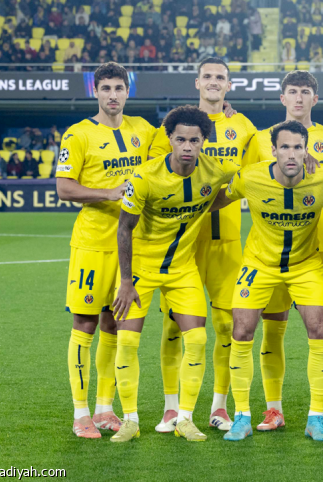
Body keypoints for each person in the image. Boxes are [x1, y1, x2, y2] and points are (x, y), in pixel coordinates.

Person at [213, 120, 323, 442]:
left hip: (306, 265)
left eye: (298, 147)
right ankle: (242, 417)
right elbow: (217, 199)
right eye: (285, 147)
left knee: (319, 329)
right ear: (274, 150)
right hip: (259, 264)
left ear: (307, 151)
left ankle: (316, 418)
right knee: (241, 330)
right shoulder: (251, 177)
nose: (291, 154)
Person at [242, 71, 323, 433]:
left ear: (315, 98)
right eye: (292, 92)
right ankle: (273, 409)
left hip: (320, 245)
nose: (298, 98)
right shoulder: (261, 139)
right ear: (282, 98)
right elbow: (247, 176)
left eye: (305, 92)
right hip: (270, 249)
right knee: (273, 327)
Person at [111, 105, 237, 443]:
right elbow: (124, 229)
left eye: (194, 141)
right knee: (127, 340)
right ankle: (130, 420)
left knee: (197, 339)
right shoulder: (144, 177)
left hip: (182, 269)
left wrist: (305, 159)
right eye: (180, 139)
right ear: (169, 139)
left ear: (203, 141)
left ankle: (185, 419)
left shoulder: (215, 170)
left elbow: (256, 174)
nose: (187, 147)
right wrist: (125, 281)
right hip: (141, 269)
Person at [148, 57, 257, 434]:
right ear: (197, 82)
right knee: (173, 326)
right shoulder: (176, 126)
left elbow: (262, 167)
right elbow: (156, 176)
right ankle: (170, 408)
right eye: (207, 76)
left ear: (229, 85)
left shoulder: (243, 127)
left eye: (220, 77)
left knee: (227, 325)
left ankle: (219, 406)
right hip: (183, 246)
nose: (213, 82)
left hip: (227, 242)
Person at [56, 62, 156, 439]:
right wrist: (108, 193)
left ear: (128, 92)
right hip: (93, 243)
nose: (113, 95)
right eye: (106, 88)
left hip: (130, 244)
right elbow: (64, 187)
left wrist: (218, 108)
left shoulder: (143, 129)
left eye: (119, 88)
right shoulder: (78, 134)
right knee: (85, 323)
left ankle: (104, 407)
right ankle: (80, 412)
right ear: (95, 91)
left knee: (114, 323)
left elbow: (183, 136)